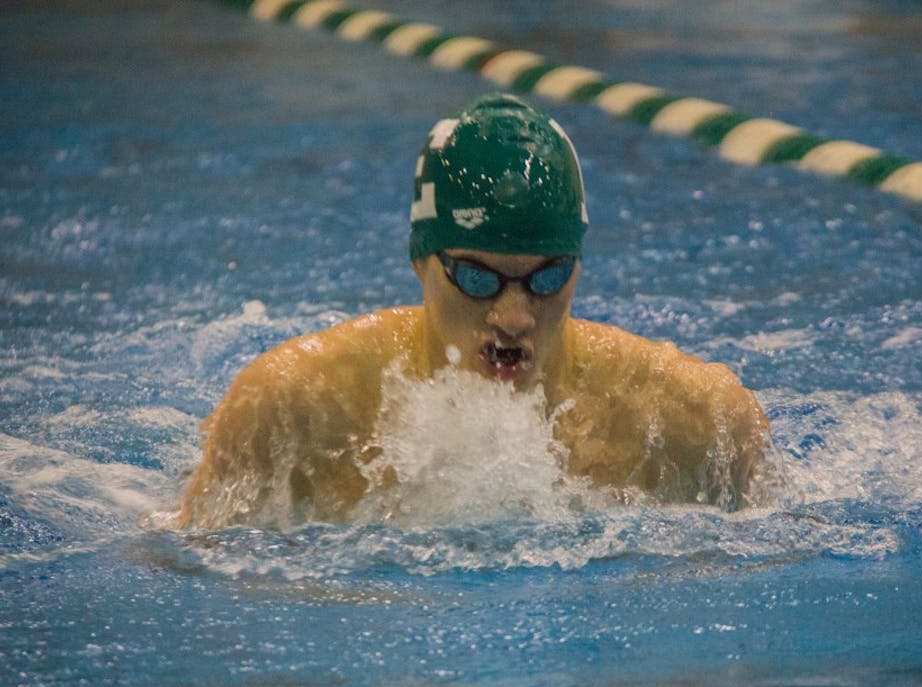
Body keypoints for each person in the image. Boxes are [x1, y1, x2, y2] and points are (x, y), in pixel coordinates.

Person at [178, 93, 770, 529]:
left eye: (549, 277)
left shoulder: (700, 421)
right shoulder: (290, 405)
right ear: (421, 261)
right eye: (477, 279)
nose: (514, 317)